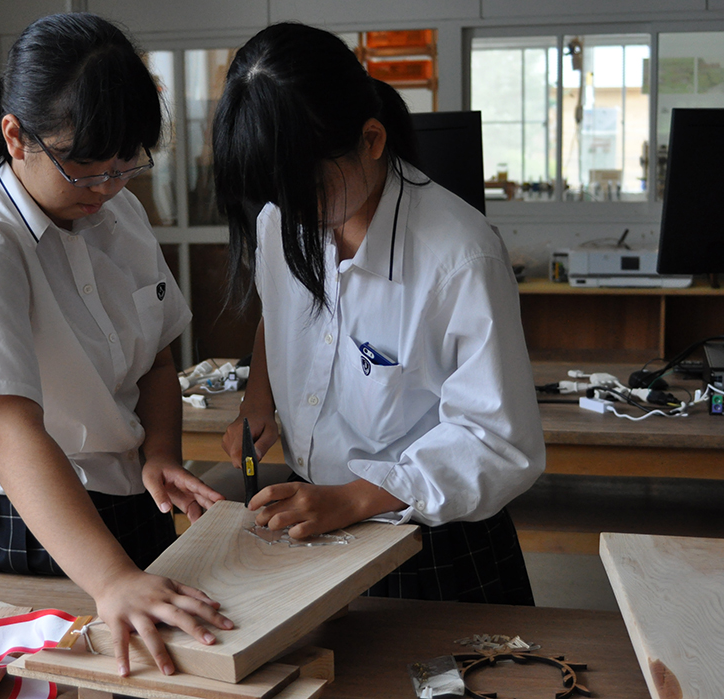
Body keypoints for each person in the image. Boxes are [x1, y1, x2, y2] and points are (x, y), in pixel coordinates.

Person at [0, 13, 231, 676]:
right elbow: (7, 432)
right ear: (15, 136)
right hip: (31, 522)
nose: (107, 186)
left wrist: (161, 453)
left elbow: (158, 359)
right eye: (83, 166)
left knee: (164, 674)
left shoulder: (120, 211)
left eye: (125, 163)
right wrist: (110, 577)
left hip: (133, 503)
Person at [214, 23, 546, 605]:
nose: (290, 212)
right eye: (275, 195)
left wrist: (353, 499)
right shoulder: (281, 217)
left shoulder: (460, 257)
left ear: (370, 140)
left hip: (430, 537)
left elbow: (497, 442)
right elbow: (278, 313)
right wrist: (259, 399)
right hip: (316, 510)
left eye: (304, 190)